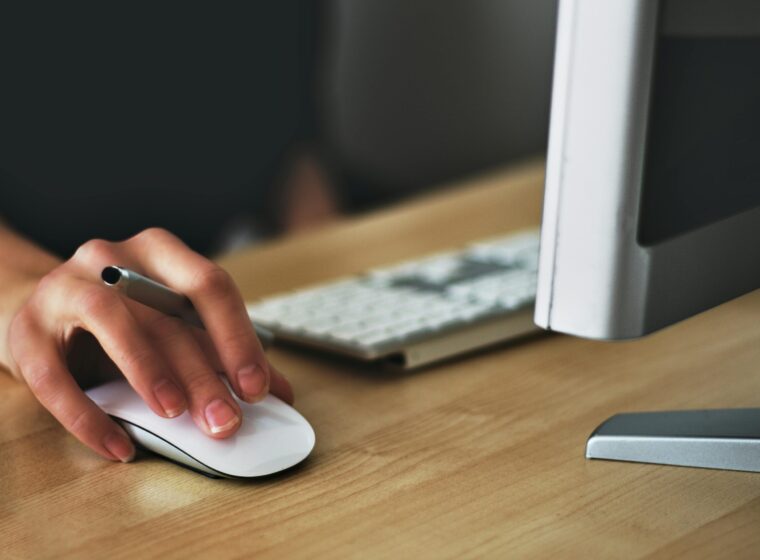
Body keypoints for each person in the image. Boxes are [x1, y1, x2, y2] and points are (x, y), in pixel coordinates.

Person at [0, 4, 336, 464]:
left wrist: (338, 279)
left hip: (210, 300)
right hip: (48, 283)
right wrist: (24, 297)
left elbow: (296, 144)